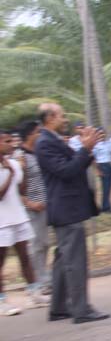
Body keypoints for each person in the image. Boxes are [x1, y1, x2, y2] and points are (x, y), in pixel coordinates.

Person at [35, 103, 110, 324]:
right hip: (65, 209)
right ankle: (81, 310)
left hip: (68, 207)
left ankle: (58, 308)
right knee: (75, 261)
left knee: (62, 260)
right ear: (50, 117)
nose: (65, 119)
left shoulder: (53, 140)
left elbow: (74, 165)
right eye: (61, 115)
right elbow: (66, 171)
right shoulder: (44, 143)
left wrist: (88, 149)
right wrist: (85, 148)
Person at [0, 129, 47, 316]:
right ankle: (2, 301)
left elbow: (21, 190)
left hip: (18, 217)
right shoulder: (9, 168)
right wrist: (10, 173)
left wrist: (23, 170)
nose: (11, 144)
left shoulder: (13, 163)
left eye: (11, 140)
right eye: (6, 141)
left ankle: (34, 293)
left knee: (25, 258)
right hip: (2, 222)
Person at [16, 121, 51, 296]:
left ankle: (43, 278)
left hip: (43, 205)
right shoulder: (20, 156)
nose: (41, 135)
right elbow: (16, 186)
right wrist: (29, 203)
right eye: (38, 132)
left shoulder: (38, 152)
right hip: (30, 207)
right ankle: (38, 283)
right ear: (30, 134)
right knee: (35, 245)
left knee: (44, 244)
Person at [92, 128, 111, 212]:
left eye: (103, 133)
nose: (102, 135)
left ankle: (107, 205)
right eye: (100, 133)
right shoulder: (96, 145)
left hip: (109, 165)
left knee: (109, 187)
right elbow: (93, 159)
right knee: (105, 187)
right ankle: (105, 207)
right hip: (102, 165)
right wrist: (98, 170)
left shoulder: (108, 143)